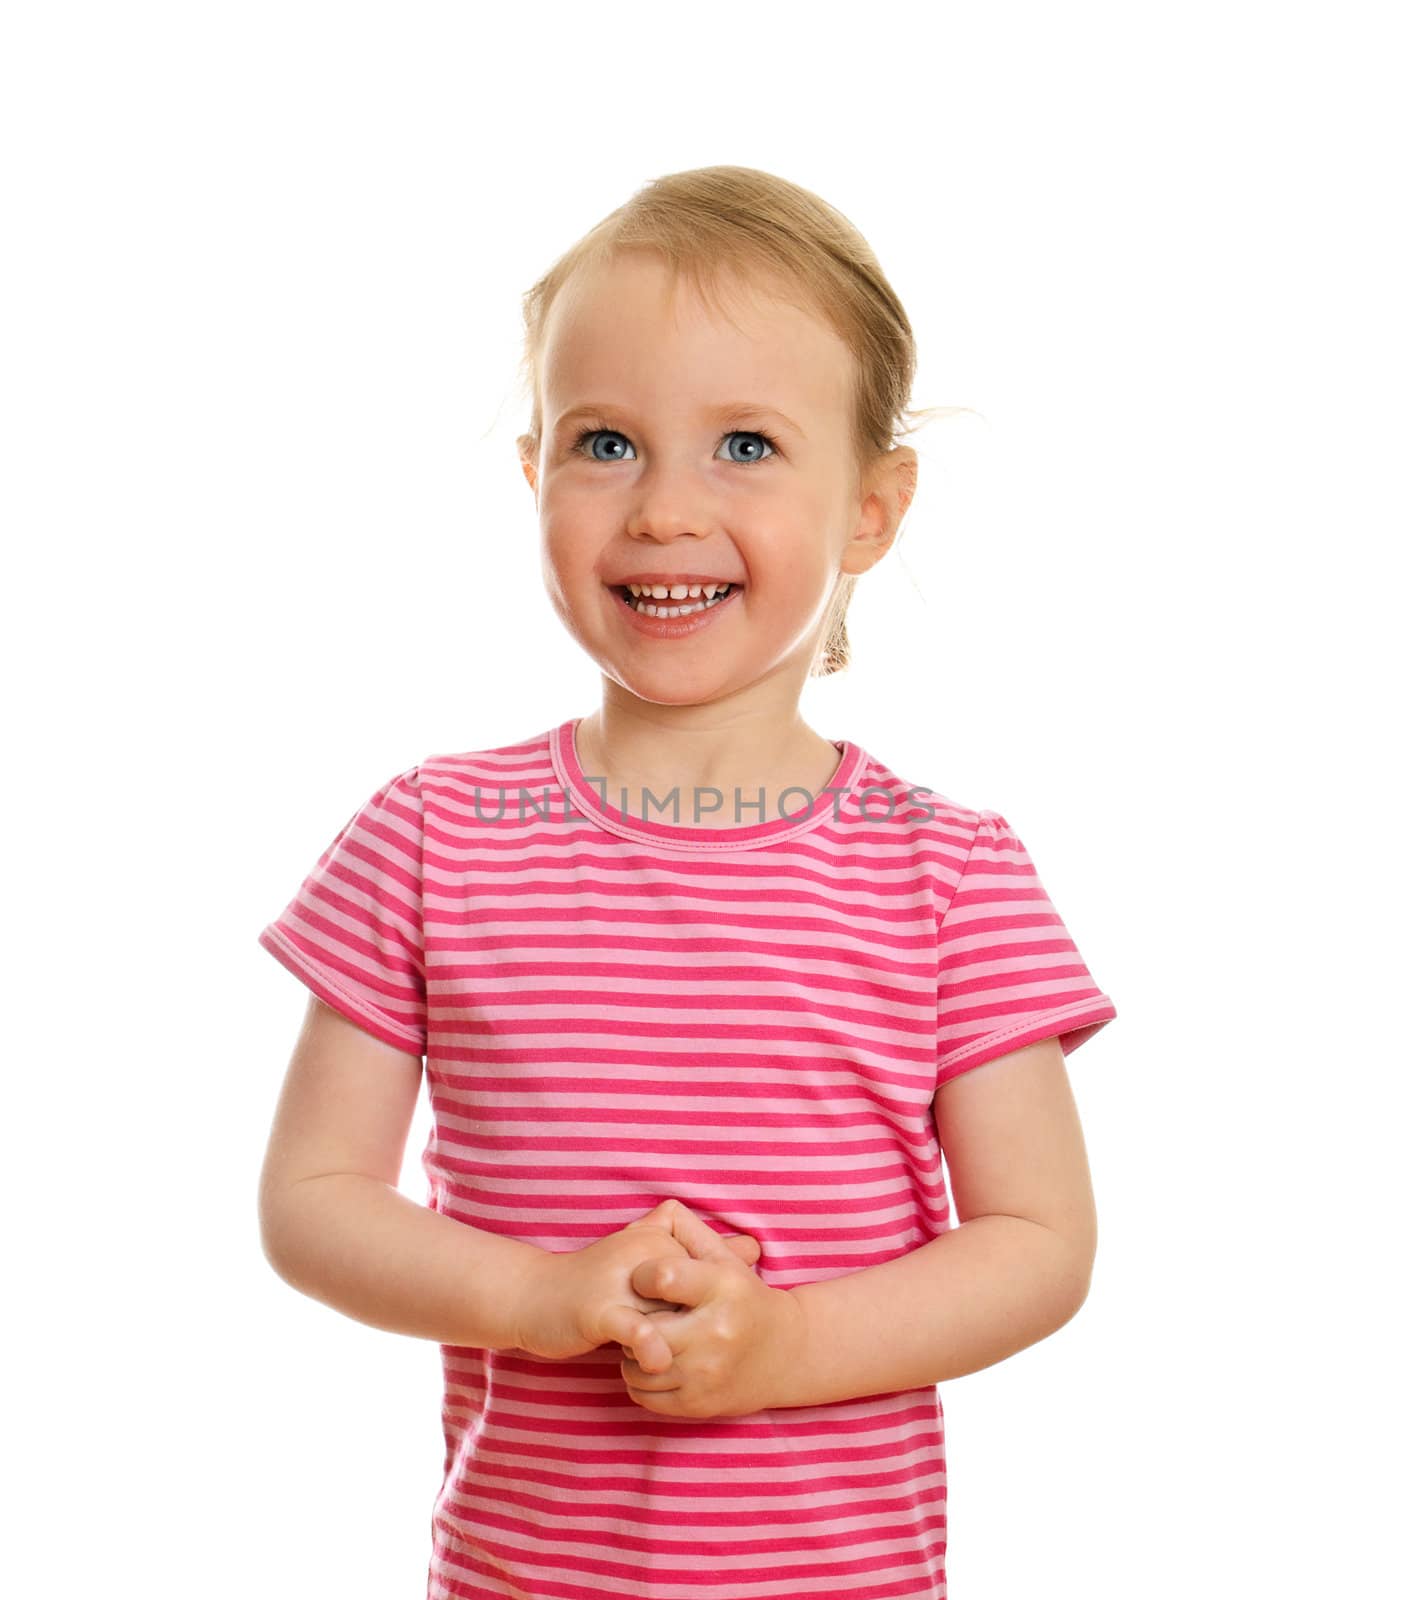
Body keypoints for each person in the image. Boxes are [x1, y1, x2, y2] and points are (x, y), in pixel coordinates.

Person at [256, 164, 1117, 1600]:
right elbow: (312, 1197)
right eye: (605, 442)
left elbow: (1038, 1243)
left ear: (870, 510)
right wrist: (531, 1297)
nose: (662, 510)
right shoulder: (433, 835)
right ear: (533, 469)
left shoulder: (947, 874)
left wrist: (786, 1346)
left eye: (744, 445)